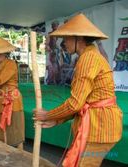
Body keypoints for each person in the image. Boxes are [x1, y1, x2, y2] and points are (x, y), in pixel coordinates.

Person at [33, 13, 123, 167]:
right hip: (99, 124)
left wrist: (48, 115)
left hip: (99, 126)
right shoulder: (90, 56)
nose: (63, 43)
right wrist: (57, 119)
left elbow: (76, 103)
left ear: (79, 39)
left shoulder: (88, 58)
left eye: (67, 38)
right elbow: (82, 103)